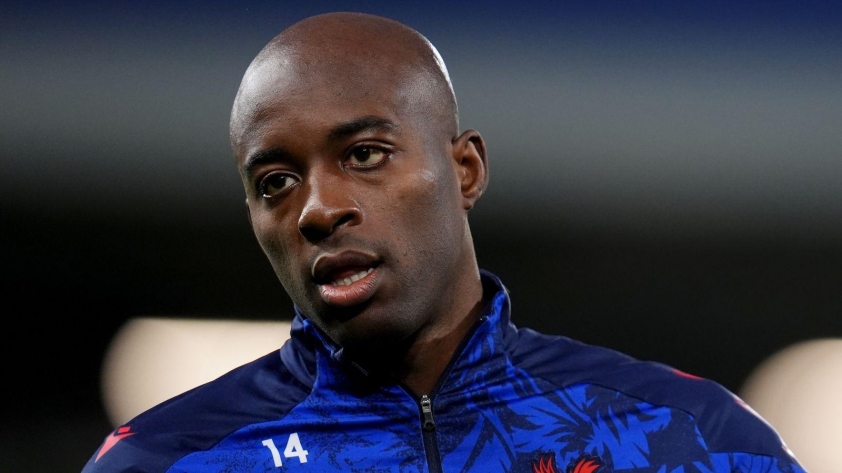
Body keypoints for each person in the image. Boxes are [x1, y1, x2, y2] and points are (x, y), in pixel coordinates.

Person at [83, 12, 807, 473]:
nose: (318, 209)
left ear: (466, 170)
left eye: (364, 154)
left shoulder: (695, 440)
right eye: (276, 182)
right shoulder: (165, 460)